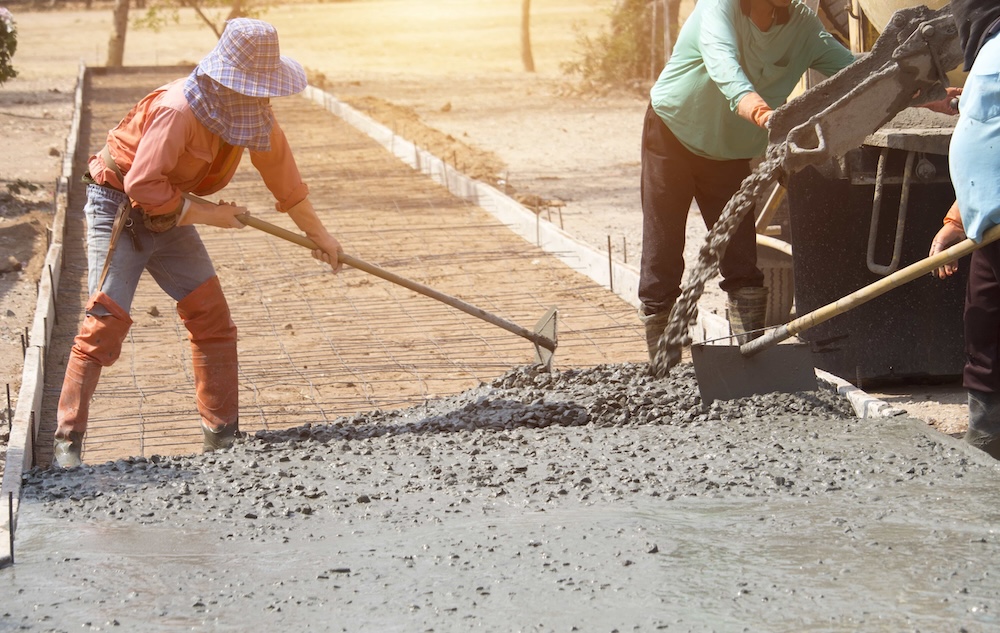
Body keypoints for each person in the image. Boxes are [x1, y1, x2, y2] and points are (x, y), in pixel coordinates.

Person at [52, 18, 344, 468]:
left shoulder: (252, 115)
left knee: (212, 317)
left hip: (171, 207)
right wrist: (213, 215)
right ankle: (67, 444)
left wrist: (321, 237)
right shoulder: (180, 109)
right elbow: (143, 187)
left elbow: (286, 182)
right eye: (255, 87)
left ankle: (221, 436)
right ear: (230, 81)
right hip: (120, 204)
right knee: (106, 318)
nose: (261, 97)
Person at [638, 0, 858, 363]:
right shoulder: (717, 9)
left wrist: (923, 94)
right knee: (663, 251)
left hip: (731, 150)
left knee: (741, 258)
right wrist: (761, 110)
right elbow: (725, 65)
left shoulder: (801, 23)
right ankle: (665, 363)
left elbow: (855, 72)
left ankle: (750, 359)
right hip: (673, 134)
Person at [927, 0, 1000, 459]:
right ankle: (987, 434)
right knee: (985, 318)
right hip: (988, 226)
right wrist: (958, 218)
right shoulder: (990, 54)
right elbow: (987, 139)